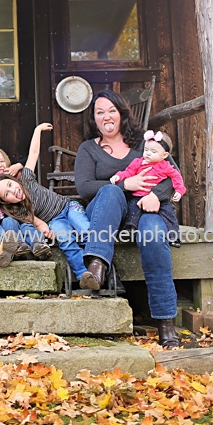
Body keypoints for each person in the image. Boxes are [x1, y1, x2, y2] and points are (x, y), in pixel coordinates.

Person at [73, 89, 181, 348]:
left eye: (111, 110)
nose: (106, 116)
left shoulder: (144, 144)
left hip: (143, 209)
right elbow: (84, 188)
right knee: (111, 191)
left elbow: (173, 174)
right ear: (93, 118)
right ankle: (97, 267)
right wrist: (125, 185)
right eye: (100, 112)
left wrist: (155, 195)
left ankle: (165, 322)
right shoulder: (88, 149)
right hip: (105, 212)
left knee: (154, 235)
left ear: (121, 114)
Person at [0, 123, 101, 285]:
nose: (13, 191)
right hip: (54, 221)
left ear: (13, 179)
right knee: (65, 241)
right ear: (4, 201)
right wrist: (44, 228)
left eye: (11, 185)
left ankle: (98, 265)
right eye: (7, 194)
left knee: (86, 231)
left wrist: (37, 130)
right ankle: (83, 275)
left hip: (68, 207)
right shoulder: (16, 210)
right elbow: (35, 221)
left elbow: (33, 153)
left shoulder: (26, 179)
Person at [111, 130, 185, 236]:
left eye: (153, 152)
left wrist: (179, 190)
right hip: (138, 196)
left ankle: (174, 236)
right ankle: (130, 229)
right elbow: (128, 172)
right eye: (146, 150)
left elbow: (176, 177)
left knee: (169, 213)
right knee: (132, 210)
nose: (148, 153)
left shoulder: (165, 166)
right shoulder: (138, 162)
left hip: (159, 199)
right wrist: (119, 176)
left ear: (164, 155)